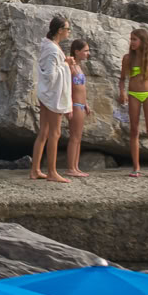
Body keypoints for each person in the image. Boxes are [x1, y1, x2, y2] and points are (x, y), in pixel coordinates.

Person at [117, 26, 148, 179]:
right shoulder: (127, 58)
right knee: (134, 130)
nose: (131, 42)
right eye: (131, 39)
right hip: (133, 95)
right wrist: (122, 92)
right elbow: (122, 80)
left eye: (134, 39)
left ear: (143, 41)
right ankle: (136, 167)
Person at [30, 16, 71, 183]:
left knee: (45, 132)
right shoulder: (53, 50)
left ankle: (35, 170)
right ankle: (52, 172)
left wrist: (63, 63)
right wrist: (66, 64)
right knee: (55, 132)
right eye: (67, 29)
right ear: (60, 30)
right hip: (51, 96)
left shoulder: (49, 46)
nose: (69, 32)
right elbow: (51, 75)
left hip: (46, 94)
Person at [63, 38, 90, 178]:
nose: (88, 53)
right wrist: (69, 108)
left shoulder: (79, 67)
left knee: (78, 137)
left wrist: (86, 104)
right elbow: (68, 88)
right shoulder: (71, 67)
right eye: (85, 51)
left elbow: (82, 89)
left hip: (81, 105)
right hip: (74, 105)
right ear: (77, 51)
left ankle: (76, 166)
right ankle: (70, 168)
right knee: (74, 137)